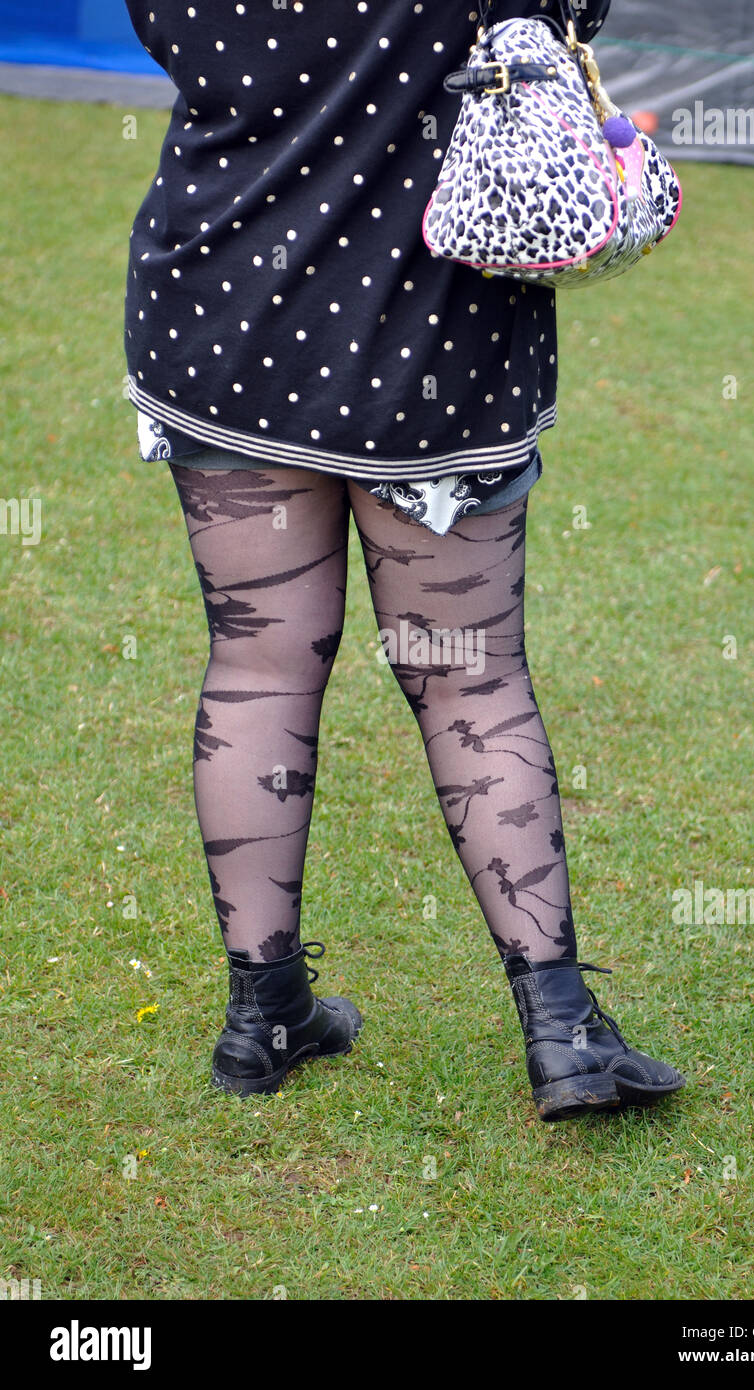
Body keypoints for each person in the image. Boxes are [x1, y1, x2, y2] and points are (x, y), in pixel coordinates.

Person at [122, 0, 684, 1121]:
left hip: (219, 305)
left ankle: (262, 1012)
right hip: (431, 334)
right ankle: (564, 1029)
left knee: (255, 663)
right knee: (471, 676)